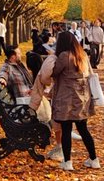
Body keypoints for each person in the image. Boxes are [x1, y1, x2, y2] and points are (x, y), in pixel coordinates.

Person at [33, 30, 99, 171]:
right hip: (82, 98)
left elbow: (54, 72)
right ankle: (94, 159)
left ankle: (67, 162)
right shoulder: (82, 55)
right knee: (83, 129)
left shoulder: (64, 56)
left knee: (66, 129)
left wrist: (52, 58)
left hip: (67, 99)